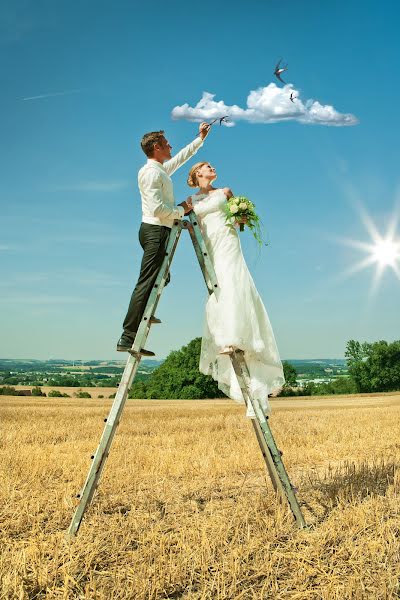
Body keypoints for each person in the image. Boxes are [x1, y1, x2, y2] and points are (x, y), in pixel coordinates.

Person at [185, 162, 285, 417]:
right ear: (198, 174)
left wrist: (242, 216)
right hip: (210, 246)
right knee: (219, 287)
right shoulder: (191, 200)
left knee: (232, 282)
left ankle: (233, 336)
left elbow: (239, 222)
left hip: (228, 242)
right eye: (207, 166)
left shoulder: (225, 192)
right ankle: (230, 342)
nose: (213, 168)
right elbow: (187, 222)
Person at [117, 124, 211, 355]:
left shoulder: (159, 170)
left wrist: (200, 139)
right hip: (156, 231)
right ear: (157, 147)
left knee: (162, 278)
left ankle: (144, 314)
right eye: (166, 143)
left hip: (158, 231)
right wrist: (182, 209)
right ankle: (128, 336)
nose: (170, 145)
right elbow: (158, 209)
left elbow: (180, 158)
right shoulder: (151, 173)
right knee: (146, 282)